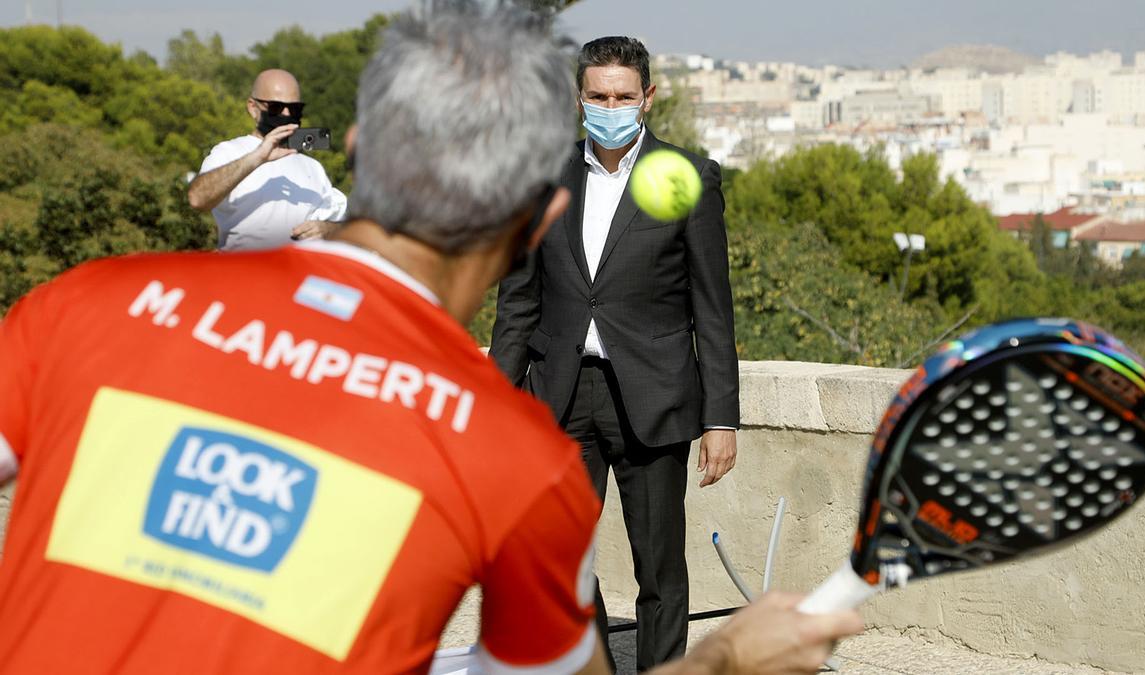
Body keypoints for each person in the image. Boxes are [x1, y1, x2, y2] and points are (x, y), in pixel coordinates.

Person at [0, 6, 859, 674]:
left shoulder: (90, 301)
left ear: (363, 145)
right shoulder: (514, 466)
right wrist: (729, 657)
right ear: (540, 210)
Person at [490, 36, 740, 670]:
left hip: (653, 396)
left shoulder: (686, 176)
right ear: (579, 99)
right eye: (598, 95)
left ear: (647, 98)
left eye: (623, 96)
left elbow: (712, 306)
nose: (610, 106)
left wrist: (721, 418)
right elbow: (518, 302)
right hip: (559, 395)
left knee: (659, 567)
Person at [187, 69, 347, 251]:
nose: (286, 114)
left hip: (297, 274)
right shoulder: (229, 152)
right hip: (246, 272)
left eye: (294, 108)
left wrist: (329, 230)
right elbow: (197, 199)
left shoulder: (313, 168)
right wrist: (258, 157)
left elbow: (349, 227)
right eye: (276, 107)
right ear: (252, 108)